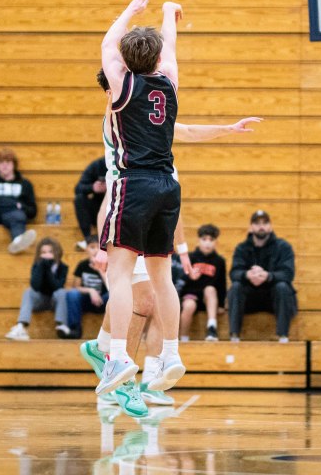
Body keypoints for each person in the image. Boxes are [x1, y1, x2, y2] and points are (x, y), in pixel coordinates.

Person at [79, 112, 261, 414]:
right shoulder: (124, 127)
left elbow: (188, 133)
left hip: (148, 217)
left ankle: (112, 355)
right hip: (122, 211)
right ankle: (119, 369)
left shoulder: (164, 161)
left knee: (149, 298)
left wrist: (227, 128)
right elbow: (109, 197)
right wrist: (101, 245)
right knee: (140, 298)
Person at [94, 0, 187, 401]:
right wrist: (168, 12)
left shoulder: (121, 86)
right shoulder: (168, 83)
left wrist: (132, 7)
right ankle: (170, 354)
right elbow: (168, 52)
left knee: (118, 275)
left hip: (134, 184)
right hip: (169, 186)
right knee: (162, 276)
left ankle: (116, 356)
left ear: (127, 61)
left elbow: (108, 42)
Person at [227, 210, 297, 343]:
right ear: (251, 227)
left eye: (265, 223)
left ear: (270, 226)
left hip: (273, 298)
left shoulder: (283, 247)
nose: (261, 226)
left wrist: (267, 276)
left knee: (283, 287)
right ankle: (234, 335)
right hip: (249, 298)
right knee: (235, 287)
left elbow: (288, 273)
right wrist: (247, 274)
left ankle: (283, 336)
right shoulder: (241, 248)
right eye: (257, 223)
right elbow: (234, 273)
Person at [6, 238, 69, 340]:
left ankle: (61, 324)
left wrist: (48, 269)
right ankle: (22, 326)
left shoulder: (63, 267)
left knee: (61, 292)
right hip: (40, 301)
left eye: (50, 252)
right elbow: (35, 286)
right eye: (43, 252)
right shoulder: (37, 266)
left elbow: (57, 286)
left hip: (54, 302)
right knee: (28, 292)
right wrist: (42, 267)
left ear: (56, 253)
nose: (47, 254)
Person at [179, 224, 227, 341]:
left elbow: (222, 284)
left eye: (211, 240)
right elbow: (180, 280)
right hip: (190, 295)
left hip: (209, 299)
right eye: (204, 239)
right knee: (189, 305)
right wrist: (190, 276)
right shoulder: (190, 257)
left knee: (210, 289)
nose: (207, 243)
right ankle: (183, 338)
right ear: (198, 240)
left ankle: (211, 328)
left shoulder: (219, 261)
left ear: (216, 242)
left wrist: (221, 304)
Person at [65, 235, 108, 339]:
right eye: (92, 247)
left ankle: (112, 332)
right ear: (86, 249)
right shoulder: (82, 265)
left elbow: (112, 288)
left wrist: (100, 270)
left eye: (99, 247)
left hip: (104, 301)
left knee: (114, 296)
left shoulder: (109, 265)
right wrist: (90, 290)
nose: (96, 250)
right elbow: (76, 287)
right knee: (72, 294)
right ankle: (75, 329)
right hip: (87, 301)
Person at [73, 157, 107, 250]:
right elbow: (78, 188)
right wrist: (93, 187)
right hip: (98, 207)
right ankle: (88, 238)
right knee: (79, 199)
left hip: (119, 207)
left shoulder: (125, 164)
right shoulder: (98, 165)